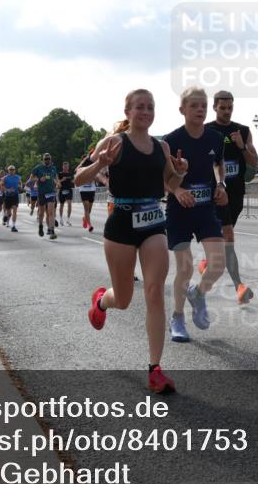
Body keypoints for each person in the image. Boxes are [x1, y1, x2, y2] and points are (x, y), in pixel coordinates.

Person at [76, 88, 187, 393]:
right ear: (127, 112)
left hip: (153, 222)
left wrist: (178, 173)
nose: (145, 112)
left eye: (150, 107)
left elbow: (169, 185)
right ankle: (101, 301)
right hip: (121, 223)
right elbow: (77, 179)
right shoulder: (113, 142)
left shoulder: (162, 147)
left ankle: (155, 369)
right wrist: (100, 163)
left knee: (154, 292)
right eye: (139, 107)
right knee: (123, 300)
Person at [163, 86, 228, 343]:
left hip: (205, 210)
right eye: (194, 105)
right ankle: (177, 317)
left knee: (218, 264)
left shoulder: (214, 138)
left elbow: (219, 164)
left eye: (203, 105)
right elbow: (164, 179)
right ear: (182, 110)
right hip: (179, 211)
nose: (200, 109)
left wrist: (221, 184)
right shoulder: (170, 141)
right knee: (185, 267)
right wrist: (177, 189)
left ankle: (198, 293)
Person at [199, 90, 258, 304]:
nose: (226, 111)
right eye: (222, 108)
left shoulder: (242, 130)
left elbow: (254, 162)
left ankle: (209, 262)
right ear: (214, 107)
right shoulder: (206, 130)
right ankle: (239, 287)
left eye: (230, 108)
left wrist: (241, 146)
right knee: (228, 236)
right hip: (215, 192)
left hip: (236, 193)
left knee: (224, 238)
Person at [30, 154, 59, 239]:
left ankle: (52, 230)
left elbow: (55, 177)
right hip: (41, 193)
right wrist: (39, 179)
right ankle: (40, 226)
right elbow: (31, 178)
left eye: (49, 159)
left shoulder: (53, 168)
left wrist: (57, 183)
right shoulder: (38, 168)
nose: (47, 160)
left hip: (51, 192)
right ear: (43, 160)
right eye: (46, 159)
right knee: (41, 213)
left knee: (51, 211)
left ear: (50, 159)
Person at [76, 151, 99, 232]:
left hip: (92, 189)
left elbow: (97, 178)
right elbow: (76, 175)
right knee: (86, 208)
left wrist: (93, 177)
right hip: (83, 190)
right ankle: (89, 225)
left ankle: (84, 218)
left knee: (89, 210)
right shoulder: (80, 168)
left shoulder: (92, 168)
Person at [2, 165, 22, 231]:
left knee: (15, 211)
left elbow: (20, 184)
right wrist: (7, 189)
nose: (11, 171)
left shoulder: (18, 177)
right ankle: (7, 221)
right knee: (9, 213)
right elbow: (1, 185)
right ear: (8, 171)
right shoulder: (5, 178)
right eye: (10, 169)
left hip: (15, 195)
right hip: (8, 196)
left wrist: (20, 187)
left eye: (13, 169)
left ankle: (13, 226)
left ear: (14, 170)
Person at [58, 162, 75, 227]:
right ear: (63, 167)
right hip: (62, 190)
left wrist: (74, 181)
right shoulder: (60, 174)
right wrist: (62, 179)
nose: (65, 168)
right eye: (64, 167)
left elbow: (73, 181)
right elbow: (57, 181)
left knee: (69, 204)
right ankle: (61, 219)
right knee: (61, 205)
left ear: (68, 167)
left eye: (67, 166)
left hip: (69, 190)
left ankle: (68, 219)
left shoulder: (70, 174)